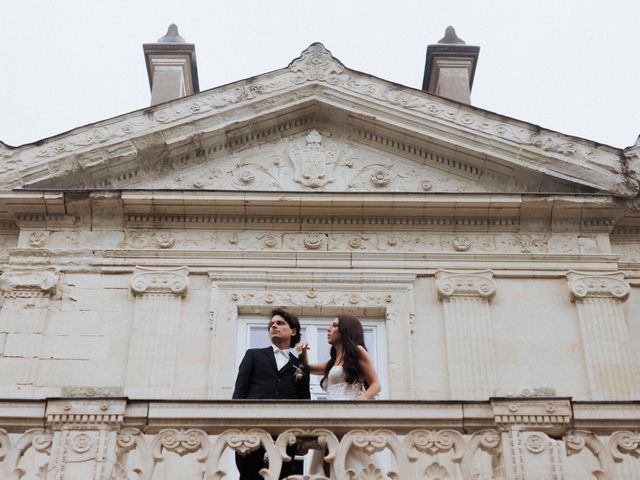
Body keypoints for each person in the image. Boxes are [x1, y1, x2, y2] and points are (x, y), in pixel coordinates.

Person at [296, 315, 382, 476]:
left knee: (349, 460)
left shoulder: (357, 351)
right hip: (329, 417)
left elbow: (376, 385)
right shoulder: (332, 362)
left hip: (348, 415)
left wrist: (359, 401)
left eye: (334, 325)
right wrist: (302, 352)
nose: (329, 329)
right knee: (327, 460)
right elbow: (307, 368)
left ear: (345, 330)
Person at [233, 308, 310, 480]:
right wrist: (236, 427)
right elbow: (239, 393)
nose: (274, 326)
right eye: (271, 324)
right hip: (251, 431)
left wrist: (303, 437)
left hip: (286, 434)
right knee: (248, 475)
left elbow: (304, 402)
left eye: (280, 323)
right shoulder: (253, 355)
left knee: (281, 476)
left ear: (293, 331)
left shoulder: (301, 366)